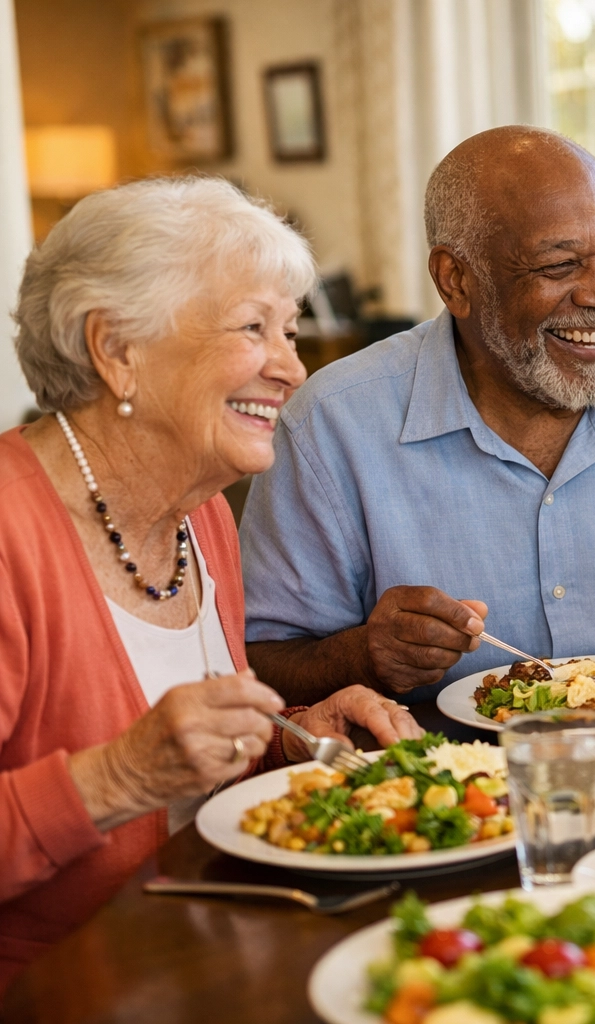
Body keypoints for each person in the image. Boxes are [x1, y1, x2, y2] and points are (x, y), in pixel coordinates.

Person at [0, 177, 420, 988]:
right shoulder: (12, 533)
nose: (293, 369)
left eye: (290, 332)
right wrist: (118, 776)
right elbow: (142, 767)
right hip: (61, 992)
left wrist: (295, 735)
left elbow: (191, 778)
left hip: (211, 951)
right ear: (116, 349)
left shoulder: (202, 515)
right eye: (253, 328)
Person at [239, 127, 595, 703]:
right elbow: (261, 660)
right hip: (452, 783)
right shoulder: (331, 425)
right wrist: (363, 655)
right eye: (559, 266)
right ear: (456, 281)